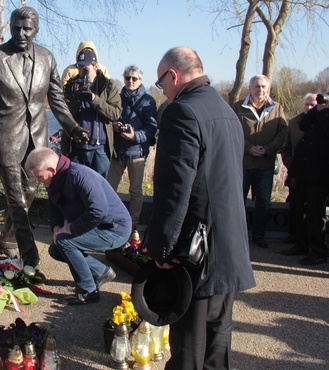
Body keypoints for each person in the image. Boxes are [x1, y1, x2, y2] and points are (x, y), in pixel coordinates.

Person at [145, 46, 255, 369]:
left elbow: (174, 189)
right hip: (228, 247)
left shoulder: (181, 112)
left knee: (188, 349)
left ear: (173, 76)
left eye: (160, 83)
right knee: (217, 346)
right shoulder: (227, 111)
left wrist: (161, 248)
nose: (162, 91)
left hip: (197, 252)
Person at [0, 7, 89, 265]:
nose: (21, 33)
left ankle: (7, 241)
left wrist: (73, 128)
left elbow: (57, 99)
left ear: (36, 30)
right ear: (10, 26)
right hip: (5, 138)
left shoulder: (47, 58)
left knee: (28, 194)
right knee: (16, 198)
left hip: (37, 139)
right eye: (16, 27)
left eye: (27, 29)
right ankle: (30, 258)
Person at [25, 147, 132, 305]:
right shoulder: (55, 180)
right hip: (97, 226)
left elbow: (99, 211)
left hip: (114, 229)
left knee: (64, 242)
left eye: (39, 176)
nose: (39, 181)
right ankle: (101, 272)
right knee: (56, 249)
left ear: (51, 169)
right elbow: (54, 207)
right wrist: (56, 227)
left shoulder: (79, 175)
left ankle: (88, 290)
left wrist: (69, 229)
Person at [233, 74, 288, 249]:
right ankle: (236, 236)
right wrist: (248, 148)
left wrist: (268, 149)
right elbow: (233, 131)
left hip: (265, 164)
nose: (260, 90)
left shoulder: (277, 108)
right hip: (243, 164)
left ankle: (258, 235)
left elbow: (282, 133)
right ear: (250, 88)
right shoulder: (238, 107)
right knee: (237, 200)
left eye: (264, 86)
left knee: (263, 201)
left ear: (268, 88)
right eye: (257, 86)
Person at [106, 65, 158, 228]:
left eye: (134, 78)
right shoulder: (117, 98)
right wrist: (115, 125)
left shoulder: (148, 101)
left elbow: (151, 128)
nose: (130, 81)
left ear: (140, 80)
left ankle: (132, 224)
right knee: (108, 188)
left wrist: (135, 135)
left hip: (137, 153)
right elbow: (110, 116)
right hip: (118, 152)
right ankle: (110, 220)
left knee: (135, 191)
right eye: (127, 77)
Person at [61, 48, 121, 177]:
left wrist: (94, 99)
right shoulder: (71, 85)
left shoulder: (108, 85)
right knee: (76, 188)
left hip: (100, 150)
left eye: (86, 67)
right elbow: (64, 115)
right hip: (77, 148)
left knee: (98, 190)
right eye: (79, 66)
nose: (82, 70)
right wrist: (77, 97)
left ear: (95, 66)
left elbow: (115, 113)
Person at [287, 93, 329, 265]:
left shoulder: (325, 117)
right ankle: (301, 244)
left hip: (319, 175)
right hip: (303, 172)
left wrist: (323, 112)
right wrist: (316, 110)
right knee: (300, 210)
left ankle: (318, 251)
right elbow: (303, 125)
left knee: (315, 213)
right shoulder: (318, 115)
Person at [280, 93, 317, 250]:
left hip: (317, 176)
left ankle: (313, 242)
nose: (308, 107)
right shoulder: (294, 122)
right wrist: (291, 165)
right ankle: (297, 239)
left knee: (314, 212)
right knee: (296, 207)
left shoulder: (323, 123)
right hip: (296, 174)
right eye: (307, 104)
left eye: (312, 105)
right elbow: (286, 148)